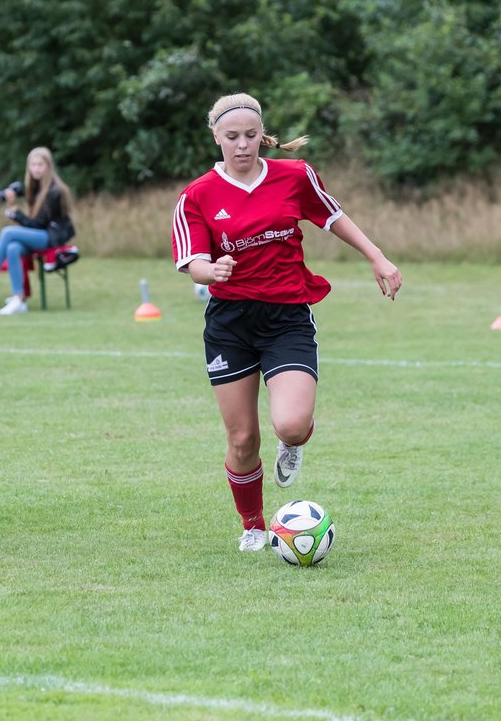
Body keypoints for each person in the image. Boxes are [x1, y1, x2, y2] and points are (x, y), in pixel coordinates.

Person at [171, 92, 402, 552]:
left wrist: (377, 257)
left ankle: (293, 443)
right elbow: (191, 260)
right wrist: (209, 270)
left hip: (287, 316)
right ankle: (253, 525)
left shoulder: (295, 176)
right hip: (230, 322)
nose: (243, 145)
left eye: (251, 136)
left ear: (263, 135)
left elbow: (333, 216)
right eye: (232, 136)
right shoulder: (197, 195)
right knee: (241, 438)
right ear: (216, 137)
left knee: (291, 425)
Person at [0, 146, 75, 315]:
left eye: (40, 165)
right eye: (33, 165)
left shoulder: (54, 191)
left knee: (8, 232)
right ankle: (19, 299)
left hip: (53, 237)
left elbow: (36, 225)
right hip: (42, 234)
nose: (36, 168)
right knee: (13, 248)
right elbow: (23, 196)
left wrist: (14, 211)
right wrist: (11, 194)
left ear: (48, 167)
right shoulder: (36, 186)